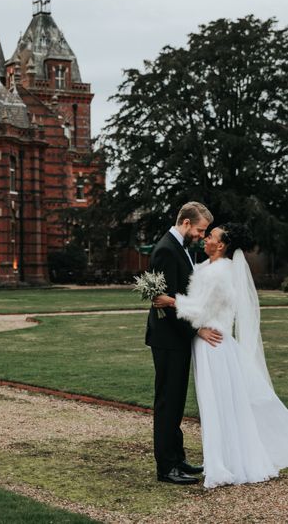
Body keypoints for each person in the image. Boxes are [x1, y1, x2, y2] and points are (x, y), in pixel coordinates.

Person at [165, 223, 288, 488]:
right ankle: (223, 459)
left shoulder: (219, 272)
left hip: (214, 346)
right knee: (219, 403)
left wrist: (170, 301)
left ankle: (223, 464)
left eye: (210, 236)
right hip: (210, 343)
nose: (206, 238)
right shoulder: (207, 268)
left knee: (215, 404)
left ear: (220, 245)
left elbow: (197, 310)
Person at [146, 201, 222, 485]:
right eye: (201, 230)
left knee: (176, 400)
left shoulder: (179, 248)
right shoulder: (166, 249)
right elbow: (164, 303)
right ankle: (166, 467)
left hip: (175, 339)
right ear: (187, 223)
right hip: (168, 338)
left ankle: (177, 458)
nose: (203, 236)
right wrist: (197, 331)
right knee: (168, 402)